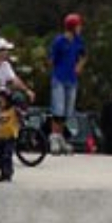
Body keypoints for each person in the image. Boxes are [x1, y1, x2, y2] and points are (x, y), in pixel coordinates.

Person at [48, 12, 86, 155]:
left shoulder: (78, 41)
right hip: (59, 78)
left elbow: (83, 56)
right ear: (72, 26)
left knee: (67, 111)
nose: (80, 28)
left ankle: (61, 137)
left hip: (72, 79)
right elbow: (51, 59)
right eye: (78, 25)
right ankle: (54, 137)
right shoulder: (59, 41)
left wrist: (79, 66)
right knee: (58, 108)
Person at [0, 90, 19, 183]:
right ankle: (2, 173)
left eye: (2, 101)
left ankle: (8, 173)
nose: (0, 103)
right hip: (0, 137)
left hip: (10, 137)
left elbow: (22, 114)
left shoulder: (14, 110)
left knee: (7, 155)